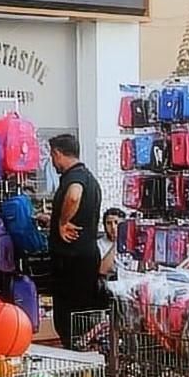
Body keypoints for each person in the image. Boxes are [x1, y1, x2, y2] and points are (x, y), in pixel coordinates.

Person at [47, 133, 102, 347]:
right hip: (85, 256)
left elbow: (74, 195)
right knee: (82, 316)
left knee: (71, 318)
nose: (52, 162)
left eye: (52, 156)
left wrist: (62, 221)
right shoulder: (90, 177)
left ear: (57, 153)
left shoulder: (75, 177)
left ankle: (76, 355)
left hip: (72, 261)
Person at [99, 207, 131, 279]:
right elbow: (102, 270)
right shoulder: (99, 245)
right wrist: (116, 243)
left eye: (116, 223)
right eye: (109, 223)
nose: (113, 227)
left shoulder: (130, 242)